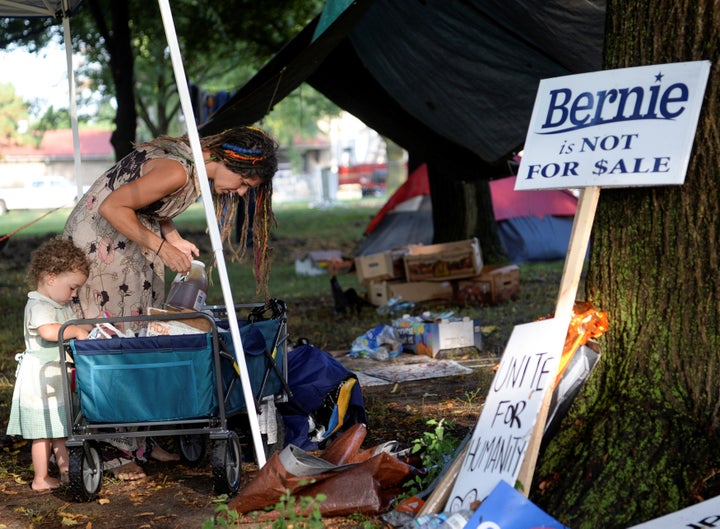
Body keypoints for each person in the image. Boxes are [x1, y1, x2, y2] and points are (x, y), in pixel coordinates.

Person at [63, 126, 279, 480]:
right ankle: (113, 448)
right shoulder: (177, 168)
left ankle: (138, 440)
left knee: (141, 335)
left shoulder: (190, 166)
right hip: (104, 244)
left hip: (130, 239)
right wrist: (161, 248)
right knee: (116, 338)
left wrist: (172, 236)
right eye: (243, 183)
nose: (239, 193)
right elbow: (113, 205)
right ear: (229, 160)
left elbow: (150, 202)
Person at [6, 237, 92, 492]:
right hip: (40, 381)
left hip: (55, 379)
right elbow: (48, 331)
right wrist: (75, 330)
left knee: (60, 429)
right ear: (52, 277)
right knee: (42, 432)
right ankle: (41, 478)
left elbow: (68, 325)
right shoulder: (39, 305)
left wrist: (87, 326)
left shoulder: (57, 303)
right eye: (73, 288)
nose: (74, 294)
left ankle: (67, 471)